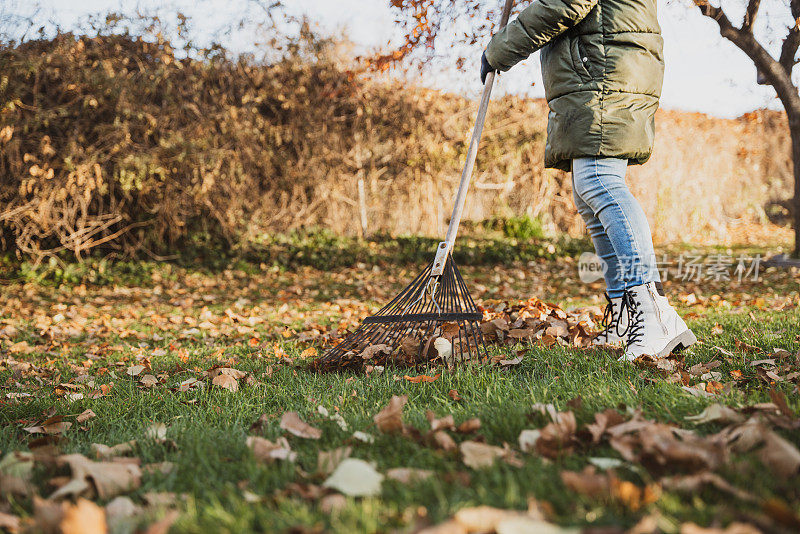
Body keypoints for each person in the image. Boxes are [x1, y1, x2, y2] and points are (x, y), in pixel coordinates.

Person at [480, 0, 696, 361]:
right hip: (604, 64)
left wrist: (498, 50)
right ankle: (626, 314)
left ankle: (654, 311)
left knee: (600, 182)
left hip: (605, 68)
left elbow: (565, 3)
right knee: (589, 192)